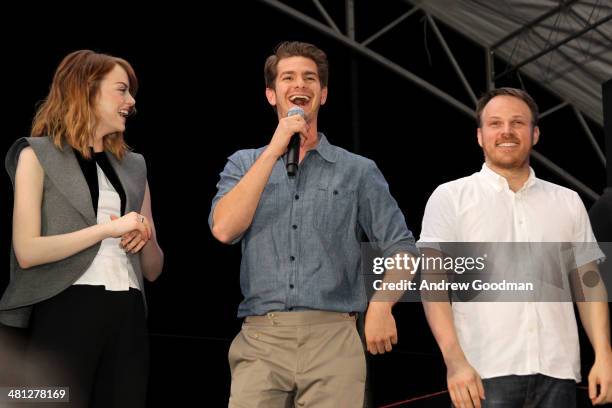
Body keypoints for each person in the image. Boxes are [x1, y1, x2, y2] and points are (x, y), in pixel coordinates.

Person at [209, 41, 418, 407]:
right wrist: (275, 149)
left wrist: (382, 305)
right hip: (261, 338)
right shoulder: (243, 164)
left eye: (310, 78)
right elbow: (225, 229)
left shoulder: (358, 170)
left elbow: (402, 247)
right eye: (288, 77)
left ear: (323, 93)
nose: (300, 84)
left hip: (334, 337)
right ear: (271, 94)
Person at [419, 87, 612, 407]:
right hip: (483, 374)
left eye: (517, 122)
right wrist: (455, 363)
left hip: (558, 372)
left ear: (534, 133)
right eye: (495, 123)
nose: (506, 131)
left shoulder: (567, 202)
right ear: (480, 136)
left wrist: (604, 357)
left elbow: (588, 284)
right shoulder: (451, 197)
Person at [0, 50, 164, 407]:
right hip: (62, 307)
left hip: (129, 313)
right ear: (87, 91)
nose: (131, 101)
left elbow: (153, 269)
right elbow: (26, 252)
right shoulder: (36, 154)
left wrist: (144, 234)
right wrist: (107, 230)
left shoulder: (135, 166)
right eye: (121, 90)